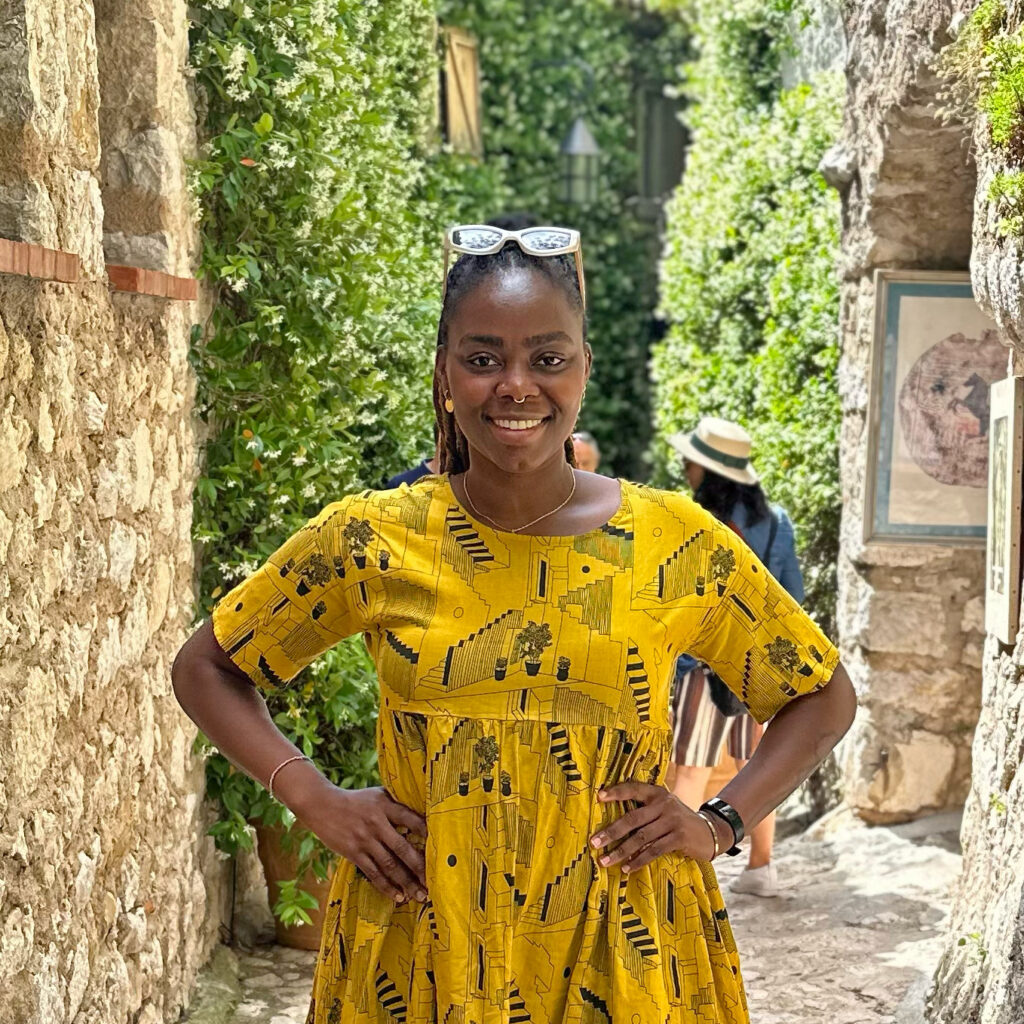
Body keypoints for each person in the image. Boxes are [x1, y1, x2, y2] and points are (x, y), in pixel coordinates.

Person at [171, 222, 856, 1024]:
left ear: (584, 369)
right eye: (484, 358)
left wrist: (719, 824)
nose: (517, 385)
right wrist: (313, 797)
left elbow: (821, 694)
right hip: (422, 947)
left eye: (548, 359)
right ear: (445, 374)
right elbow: (207, 667)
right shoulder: (373, 537)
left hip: (622, 947)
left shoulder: (673, 542)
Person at [666, 417, 805, 898]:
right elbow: (791, 597)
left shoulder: (690, 521)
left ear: (707, 470)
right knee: (754, 770)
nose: (684, 468)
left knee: (691, 768)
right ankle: (761, 869)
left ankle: (680, 878)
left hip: (702, 665)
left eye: (690, 461)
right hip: (756, 670)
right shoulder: (777, 522)